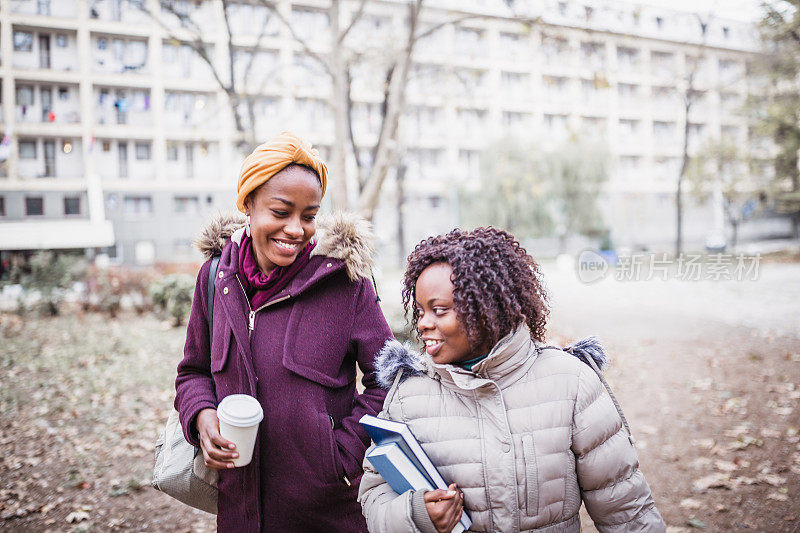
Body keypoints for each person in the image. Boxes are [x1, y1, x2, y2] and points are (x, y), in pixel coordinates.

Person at [359, 227, 666, 532]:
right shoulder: (408, 396)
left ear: (486, 308)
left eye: (440, 310)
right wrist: (416, 514)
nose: (423, 323)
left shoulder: (570, 383)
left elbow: (627, 511)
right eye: (420, 310)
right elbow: (374, 496)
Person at [175, 132, 393, 532]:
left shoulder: (346, 283)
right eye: (281, 211)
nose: (296, 229)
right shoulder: (215, 279)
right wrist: (202, 416)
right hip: (241, 514)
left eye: (309, 216)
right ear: (249, 205)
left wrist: (342, 456)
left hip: (327, 514)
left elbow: (391, 382)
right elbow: (192, 373)